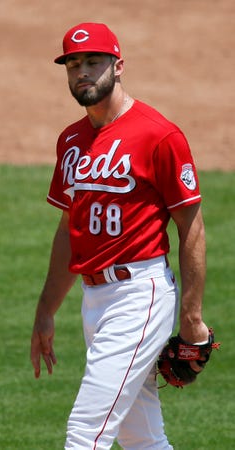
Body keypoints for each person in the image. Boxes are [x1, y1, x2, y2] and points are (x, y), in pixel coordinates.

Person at [30, 22, 209, 449]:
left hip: (139, 297)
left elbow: (192, 226)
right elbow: (68, 230)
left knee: (85, 434)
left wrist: (191, 317)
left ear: (118, 65)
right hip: (95, 304)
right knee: (142, 439)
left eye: (93, 61)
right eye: (73, 64)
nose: (82, 72)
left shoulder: (158, 134)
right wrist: (46, 309)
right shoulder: (70, 141)